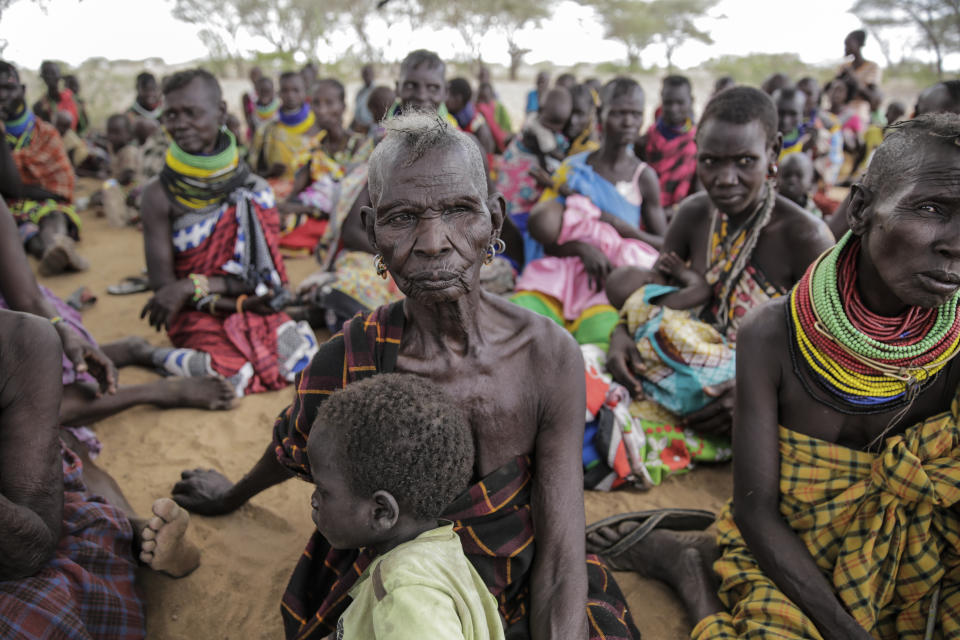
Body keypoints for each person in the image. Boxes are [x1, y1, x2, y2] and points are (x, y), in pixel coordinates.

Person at [170, 111, 639, 640]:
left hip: (521, 576)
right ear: (371, 232)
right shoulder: (351, 357)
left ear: (494, 221)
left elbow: (560, 549)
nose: (434, 241)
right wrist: (231, 496)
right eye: (401, 218)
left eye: (460, 210)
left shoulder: (549, 356)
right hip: (397, 586)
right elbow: (291, 449)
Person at [590, 112, 960, 640]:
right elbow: (756, 511)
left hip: (915, 546)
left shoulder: (952, 336)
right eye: (931, 208)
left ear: (771, 159)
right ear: (859, 208)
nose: (956, 242)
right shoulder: (771, 330)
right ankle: (690, 574)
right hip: (790, 545)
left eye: (743, 161)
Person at [604, 86, 834, 442]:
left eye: (744, 161)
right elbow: (653, 291)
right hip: (679, 368)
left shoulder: (805, 236)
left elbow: (827, 348)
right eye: (711, 161)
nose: (725, 179)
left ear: (773, 150)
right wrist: (620, 336)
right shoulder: (694, 213)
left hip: (759, 394)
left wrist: (755, 390)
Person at [0, 308, 201, 639]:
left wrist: (59, 327)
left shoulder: (21, 337)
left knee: (70, 470)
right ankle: (133, 531)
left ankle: (134, 529)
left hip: (23, 514)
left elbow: (31, 548)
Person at [140, 68, 319, 397]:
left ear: (221, 112)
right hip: (197, 315)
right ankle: (142, 352)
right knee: (232, 375)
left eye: (192, 113)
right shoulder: (158, 196)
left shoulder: (253, 190)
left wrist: (197, 285)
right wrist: (217, 295)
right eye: (172, 114)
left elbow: (269, 281)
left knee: (303, 358)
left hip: (247, 305)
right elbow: (166, 293)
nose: (180, 123)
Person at [307, 374, 505, 640]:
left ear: (381, 512)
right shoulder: (438, 551)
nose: (314, 499)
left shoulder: (408, 593)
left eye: (323, 490)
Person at [512, 78, 667, 349]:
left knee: (597, 343)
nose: (629, 122)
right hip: (561, 274)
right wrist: (580, 249)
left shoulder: (644, 178)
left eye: (635, 114)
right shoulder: (572, 169)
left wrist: (625, 230)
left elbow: (663, 246)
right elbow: (545, 234)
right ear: (601, 114)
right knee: (523, 325)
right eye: (619, 113)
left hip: (610, 283)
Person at [0, 60, 87, 276]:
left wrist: (21, 191)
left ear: (22, 90)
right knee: (22, 229)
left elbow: (59, 189)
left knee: (54, 216)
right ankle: (47, 252)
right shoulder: (40, 108)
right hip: (6, 210)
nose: (2, 95)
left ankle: (56, 247)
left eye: (8, 88)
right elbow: (11, 189)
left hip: (45, 204)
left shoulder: (45, 132)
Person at [279, 78, 374, 252]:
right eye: (317, 103)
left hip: (349, 219)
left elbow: (357, 199)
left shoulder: (361, 146)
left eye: (329, 103)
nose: (322, 110)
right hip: (317, 217)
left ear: (343, 107)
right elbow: (295, 193)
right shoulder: (313, 148)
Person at [495, 87, 573, 268]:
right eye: (552, 121)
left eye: (559, 123)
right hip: (519, 197)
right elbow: (552, 157)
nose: (553, 127)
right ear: (541, 111)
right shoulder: (538, 131)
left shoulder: (540, 126)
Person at [249, 71, 320, 197]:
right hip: (275, 194)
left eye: (296, 90)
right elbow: (253, 170)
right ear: (279, 93)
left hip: (312, 194)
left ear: (305, 92)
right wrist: (269, 172)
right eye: (285, 90)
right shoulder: (267, 130)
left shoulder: (319, 125)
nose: (290, 95)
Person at [639, 75, 699, 212]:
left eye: (680, 102)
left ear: (691, 101)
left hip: (683, 213)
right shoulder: (645, 140)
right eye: (668, 102)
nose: (673, 108)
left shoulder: (698, 141)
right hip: (647, 211)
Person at [835, 29, 881, 127]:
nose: (845, 48)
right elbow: (835, 88)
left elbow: (872, 96)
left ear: (859, 44)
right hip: (841, 111)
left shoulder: (872, 67)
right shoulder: (844, 67)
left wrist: (851, 76)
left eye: (848, 44)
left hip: (861, 113)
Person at [446, 77, 496, 155]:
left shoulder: (477, 125)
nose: (442, 97)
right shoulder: (457, 113)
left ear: (458, 98)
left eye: (446, 94)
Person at [32, 60, 78, 131]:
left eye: (53, 73)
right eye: (46, 73)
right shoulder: (39, 106)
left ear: (59, 75)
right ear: (42, 77)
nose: (50, 76)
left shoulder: (72, 100)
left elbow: (81, 127)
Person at [776, 152, 822, 217]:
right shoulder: (765, 206)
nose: (792, 180)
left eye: (799, 175)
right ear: (776, 177)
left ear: (811, 181)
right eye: (787, 174)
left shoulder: (813, 214)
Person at [475, 81, 512, 154]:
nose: (485, 101)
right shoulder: (479, 109)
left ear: (492, 95)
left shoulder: (498, 107)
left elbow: (507, 126)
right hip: (495, 142)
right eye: (482, 98)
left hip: (502, 138)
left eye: (487, 97)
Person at [566, 84, 600, 157]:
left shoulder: (592, 151)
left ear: (591, 114)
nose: (573, 121)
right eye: (569, 112)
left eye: (580, 114)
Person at [349, 63, 376, 134]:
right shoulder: (359, 92)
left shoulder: (377, 91)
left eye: (368, 73)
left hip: (373, 130)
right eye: (364, 74)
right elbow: (356, 112)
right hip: (359, 129)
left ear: (373, 74)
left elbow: (382, 116)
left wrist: (367, 126)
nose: (366, 76)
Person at [241, 65, 263, 142]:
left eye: (258, 75)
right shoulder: (247, 96)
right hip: (253, 130)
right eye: (253, 75)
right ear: (250, 77)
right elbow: (246, 115)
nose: (256, 78)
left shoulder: (268, 93)